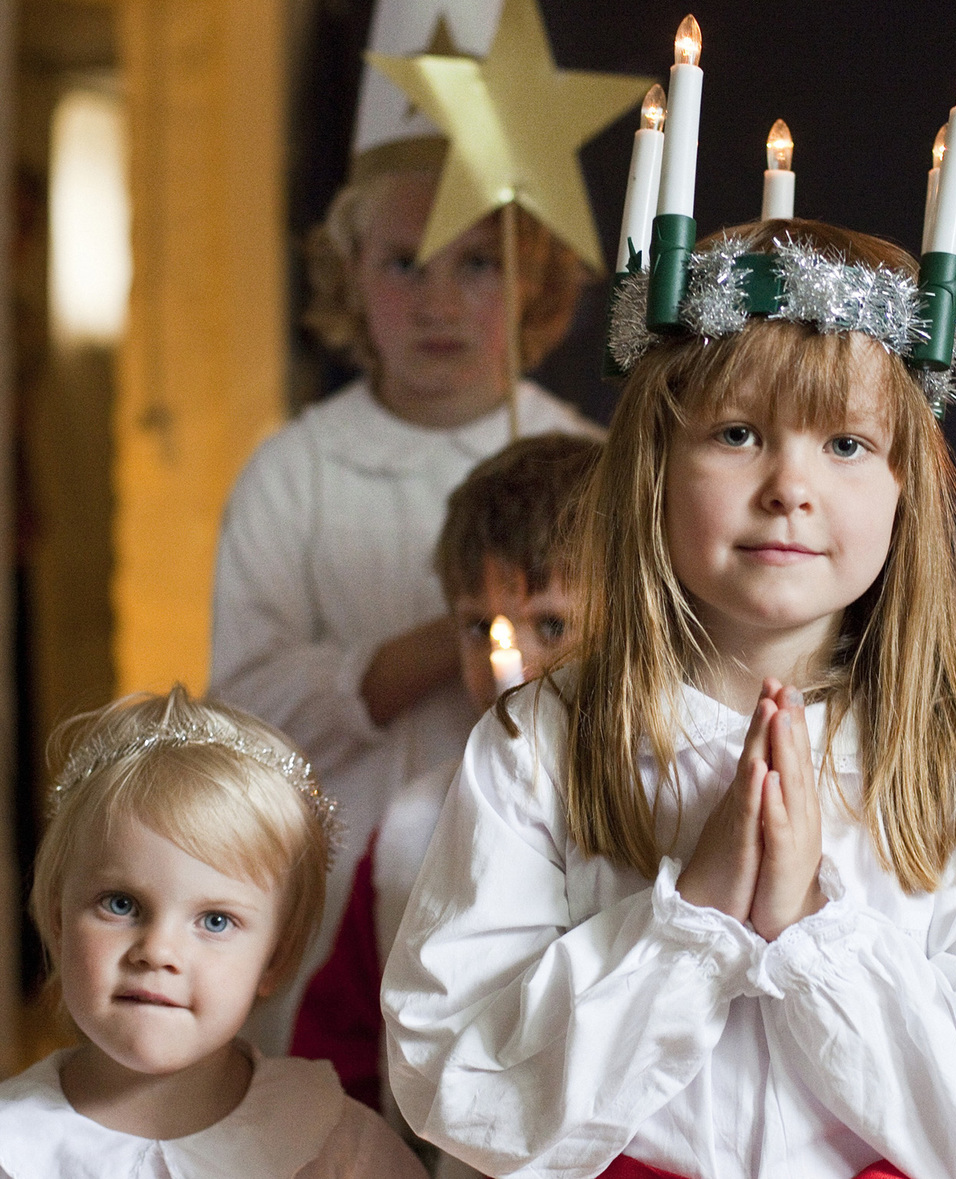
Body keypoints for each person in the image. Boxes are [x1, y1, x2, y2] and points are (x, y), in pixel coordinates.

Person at [381, 221, 956, 1179]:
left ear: (904, 489)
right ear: (654, 466)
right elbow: (453, 1080)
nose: (789, 487)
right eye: (737, 433)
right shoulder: (541, 742)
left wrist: (811, 929)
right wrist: (696, 920)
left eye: (846, 441)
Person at [211, 158, 604, 1052]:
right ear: (350, 270)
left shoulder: (587, 460)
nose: (437, 302)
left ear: (531, 277)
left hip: (549, 878)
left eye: (477, 264)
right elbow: (245, 711)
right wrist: (460, 632)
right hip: (346, 878)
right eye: (403, 263)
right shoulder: (296, 472)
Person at [290, 432, 600, 1145]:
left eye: (551, 624)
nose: (509, 664)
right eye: (478, 627)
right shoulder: (410, 830)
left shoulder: (668, 803)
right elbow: (342, 1046)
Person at [0, 687, 427, 1178]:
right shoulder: (13, 1146)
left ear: (274, 960)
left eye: (215, 921)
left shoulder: (335, 1147)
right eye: (121, 905)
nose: (158, 951)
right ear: (57, 920)